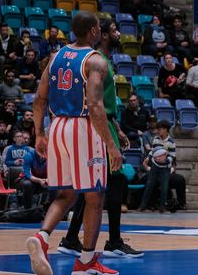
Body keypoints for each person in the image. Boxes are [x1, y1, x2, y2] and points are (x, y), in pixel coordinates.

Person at [25, 11, 123, 275]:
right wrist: (112, 146)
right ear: (93, 31)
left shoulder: (56, 57)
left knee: (66, 194)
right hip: (83, 127)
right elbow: (94, 104)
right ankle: (86, 262)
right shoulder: (96, 61)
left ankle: (42, 238)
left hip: (57, 126)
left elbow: (38, 99)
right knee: (95, 196)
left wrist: (40, 133)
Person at [58, 19, 142, 259]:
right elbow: (95, 104)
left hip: (103, 124)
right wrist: (110, 136)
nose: (119, 34)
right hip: (95, 127)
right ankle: (113, 242)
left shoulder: (101, 61)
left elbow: (104, 103)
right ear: (103, 34)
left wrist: (118, 128)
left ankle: (71, 238)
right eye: (114, 30)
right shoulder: (97, 61)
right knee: (116, 181)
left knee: (93, 186)